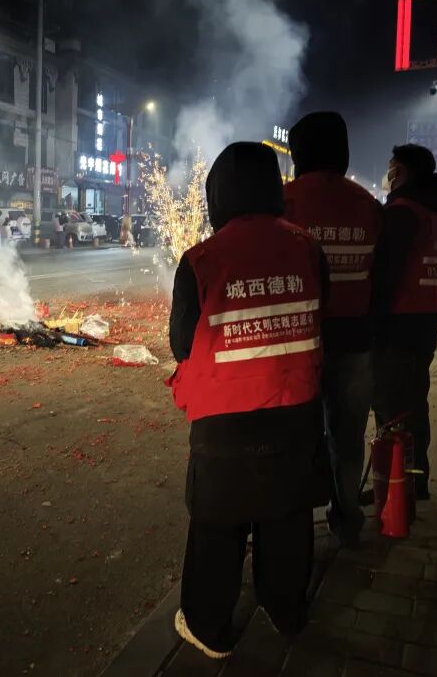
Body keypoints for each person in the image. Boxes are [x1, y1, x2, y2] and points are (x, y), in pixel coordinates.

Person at [168, 142, 329, 659]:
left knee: (217, 523)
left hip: (224, 422)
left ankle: (209, 627)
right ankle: (285, 610)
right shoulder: (308, 249)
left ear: (217, 195)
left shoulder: (200, 259)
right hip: (295, 412)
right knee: (287, 517)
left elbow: (181, 344)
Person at [283, 112, 383, 547]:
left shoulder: (283, 202)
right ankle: (347, 522)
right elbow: (381, 275)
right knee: (348, 438)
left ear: (298, 153)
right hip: (356, 341)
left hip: (298, 343)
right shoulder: (368, 205)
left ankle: (292, 533)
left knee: (296, 439)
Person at [372, 144, 437, 501]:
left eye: (392, 167)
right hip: (425, 323)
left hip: (398, 325)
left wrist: (372, 322)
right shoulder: (433, 213)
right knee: (415, 404)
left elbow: (385, 275)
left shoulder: (402, 213)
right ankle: (415, 482)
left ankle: (394, 488)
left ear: (401, 172)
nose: (388, 174)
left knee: (391, 408)